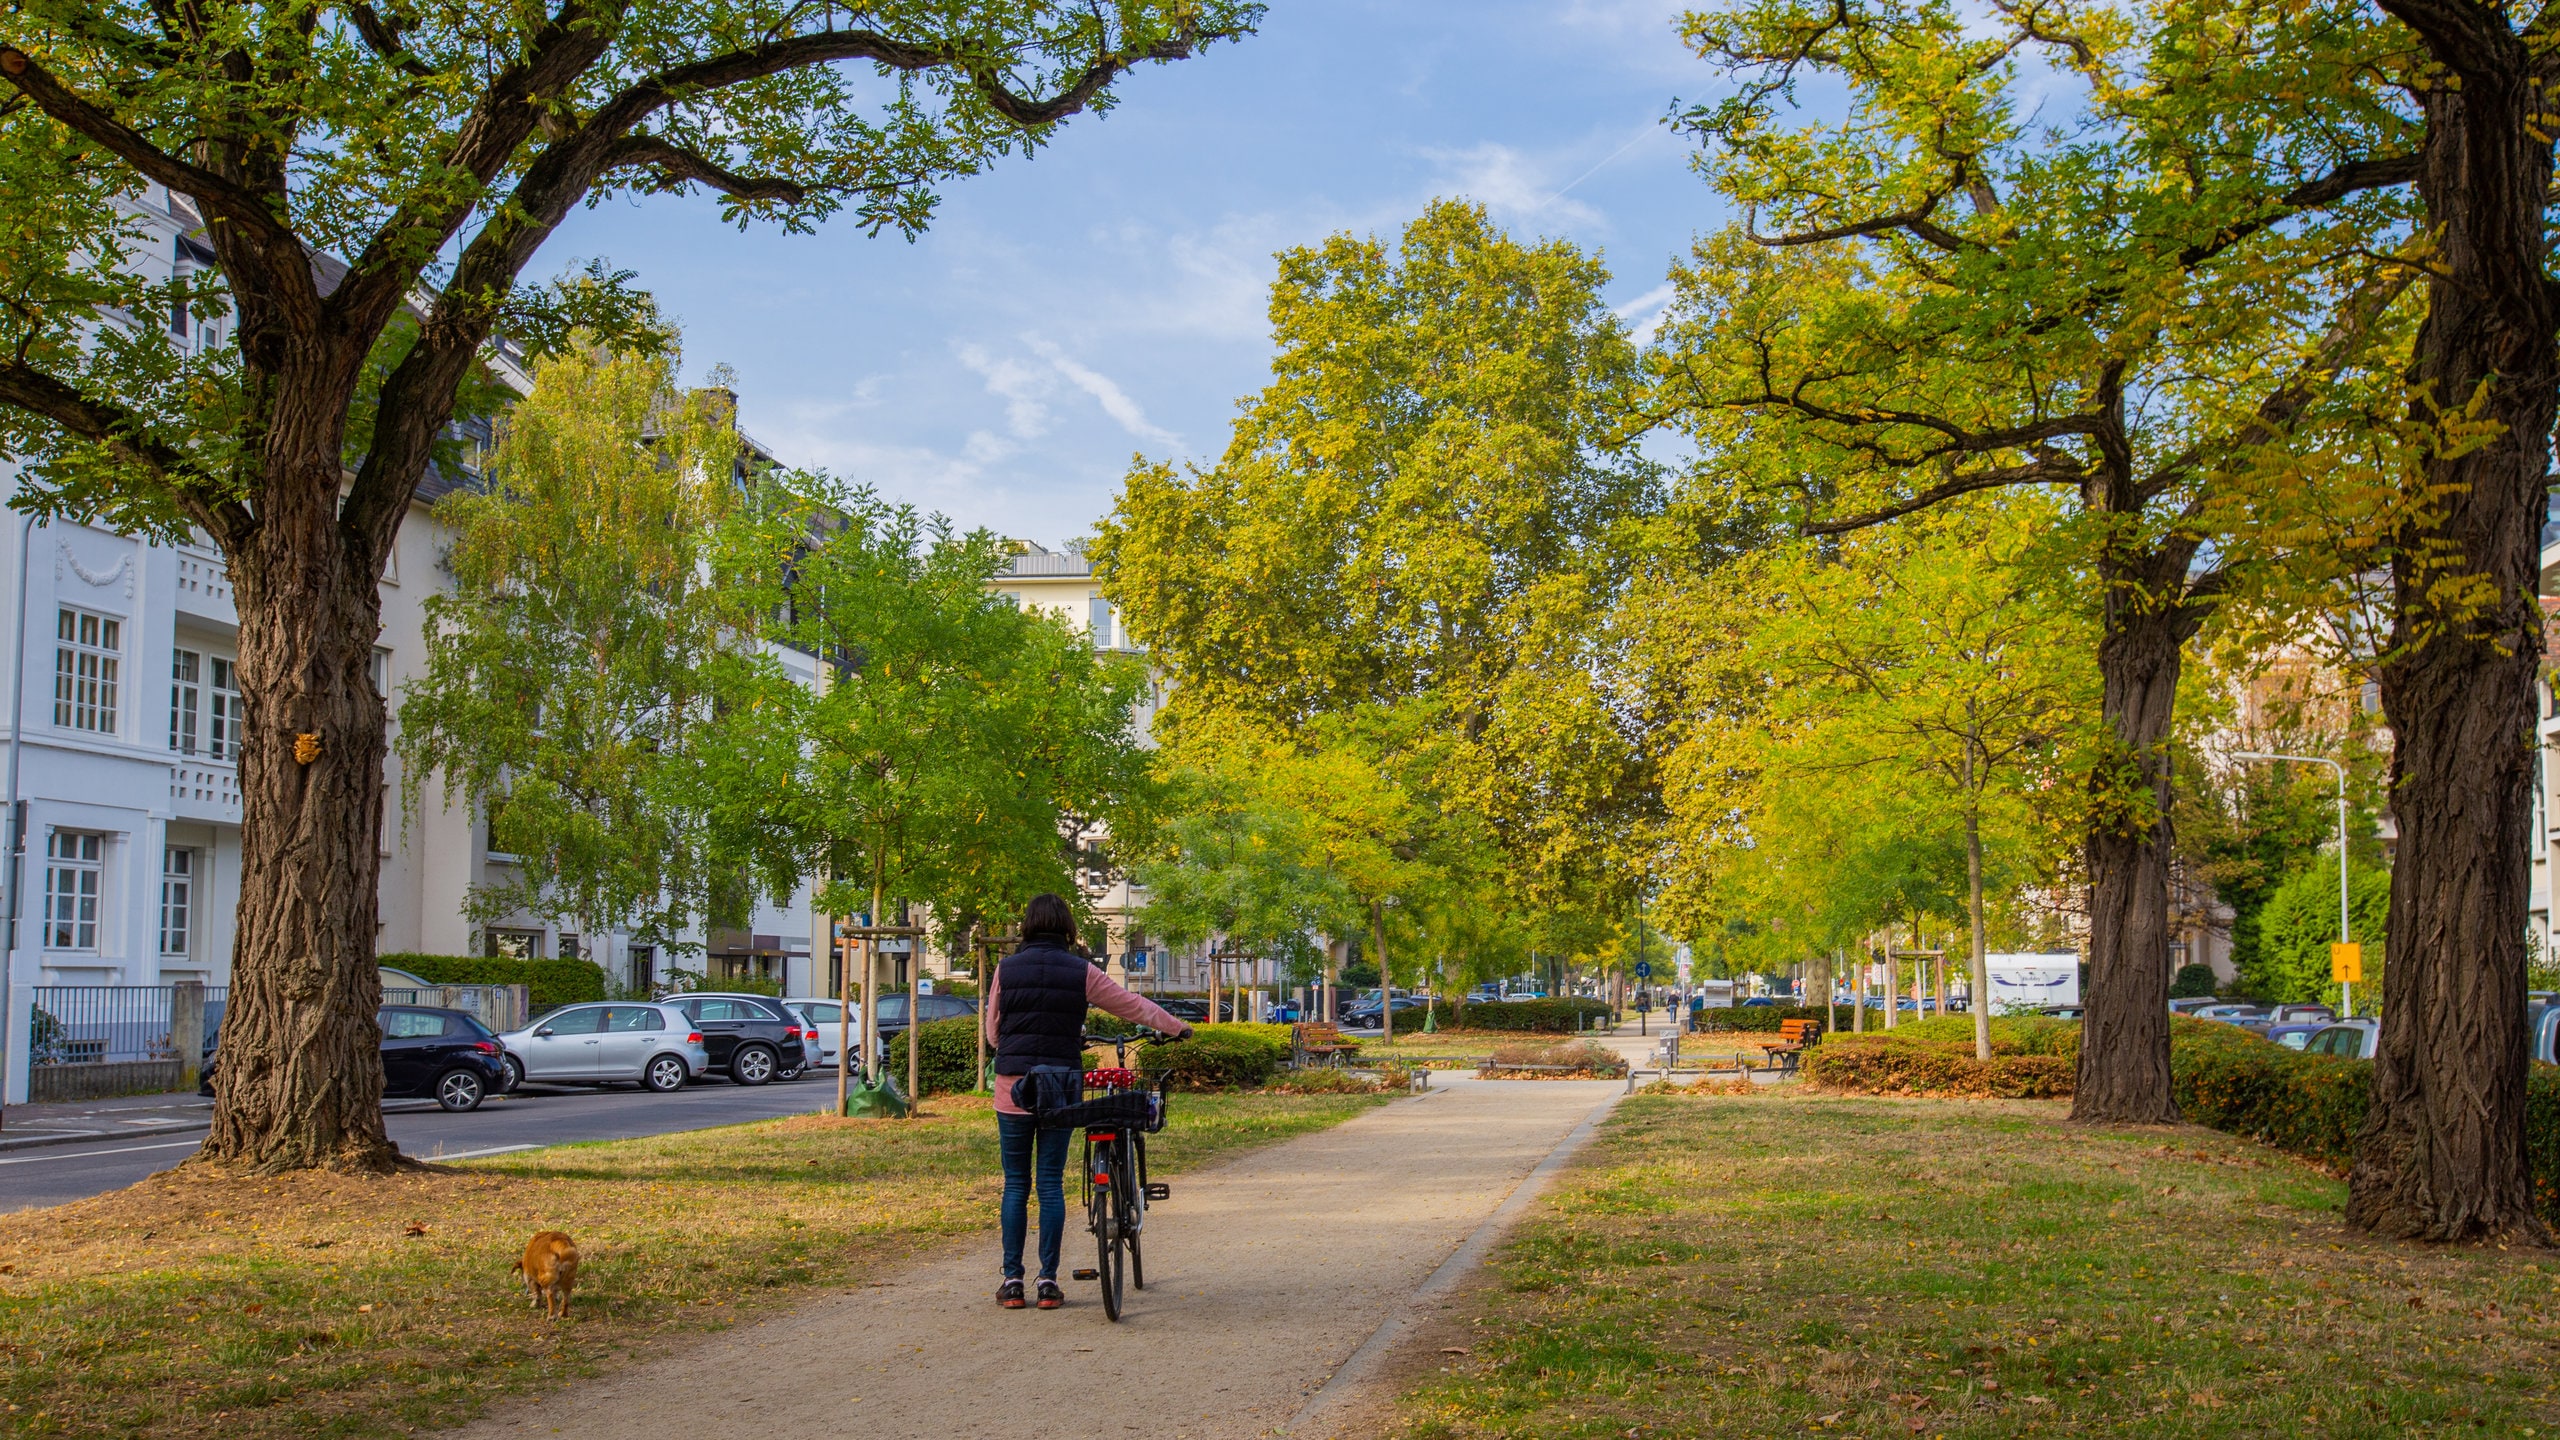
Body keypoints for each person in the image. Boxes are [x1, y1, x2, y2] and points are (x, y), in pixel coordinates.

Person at [983, 893, 1191, 1310]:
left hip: (1013, 1089)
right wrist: (1176, 1026)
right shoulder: (1081, 971)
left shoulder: (1006, 969)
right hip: (1059, 1088)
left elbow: (993, 1034)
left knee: (1016, 1183)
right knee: (1049, 1182)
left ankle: (1012, 1281)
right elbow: (1131, 1005)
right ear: (1067, 928)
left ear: (1027, 925)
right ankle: (1047, 1281)